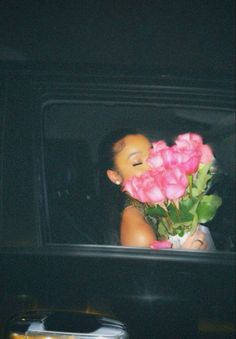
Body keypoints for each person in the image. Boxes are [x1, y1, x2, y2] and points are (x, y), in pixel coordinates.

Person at [98, 128, 208, 250]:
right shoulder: (138, 229)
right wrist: (188, 255)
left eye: (152, 155)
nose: (152, 165)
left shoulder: (164, 204)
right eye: (137, 162)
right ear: (115, 176)